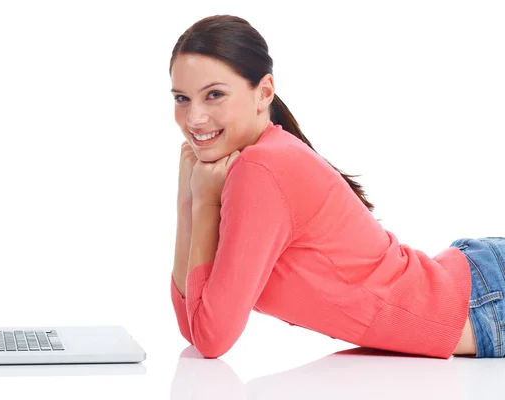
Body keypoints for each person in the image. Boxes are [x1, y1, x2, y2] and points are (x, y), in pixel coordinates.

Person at [169, 15, 499, 360]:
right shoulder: (257, 160)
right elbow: (193, 327)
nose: (194, 119)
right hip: (476, 286)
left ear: (264, 92)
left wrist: (203, 202)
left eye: (214, 95)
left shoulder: (260, 169)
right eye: (182, 99)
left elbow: (209, 338)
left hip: (485, 300)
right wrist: (187, 197)